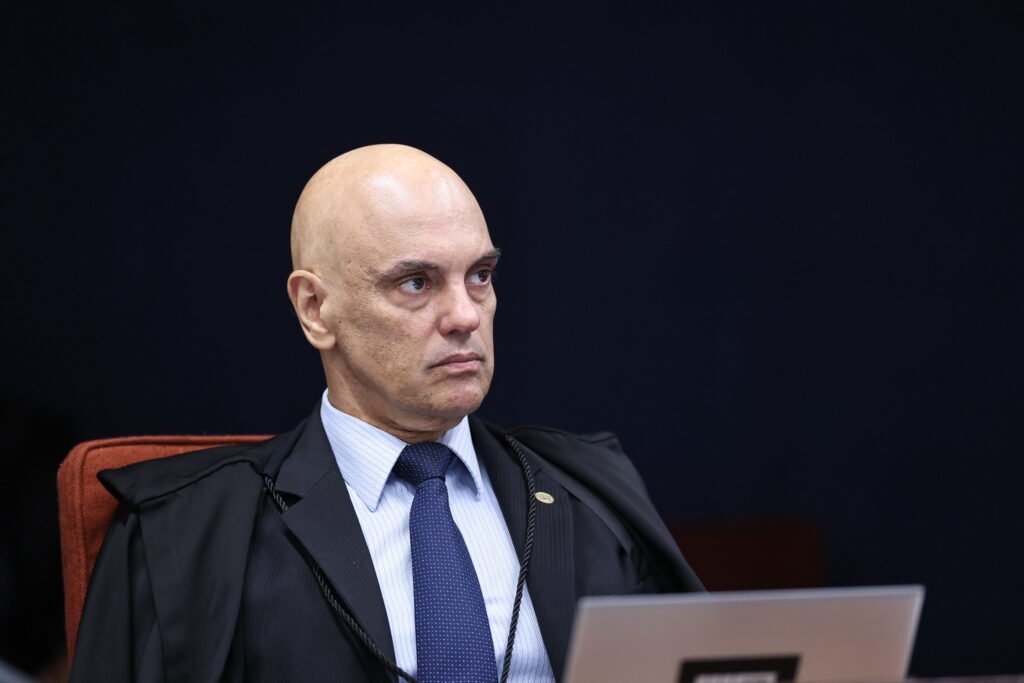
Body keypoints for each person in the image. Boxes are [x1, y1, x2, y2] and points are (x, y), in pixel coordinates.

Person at [69, 144, 702, 683]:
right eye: (416, 283)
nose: (465, 315)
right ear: (315, 309)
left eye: (480, 275)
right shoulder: (187, 532)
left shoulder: (591, 490)